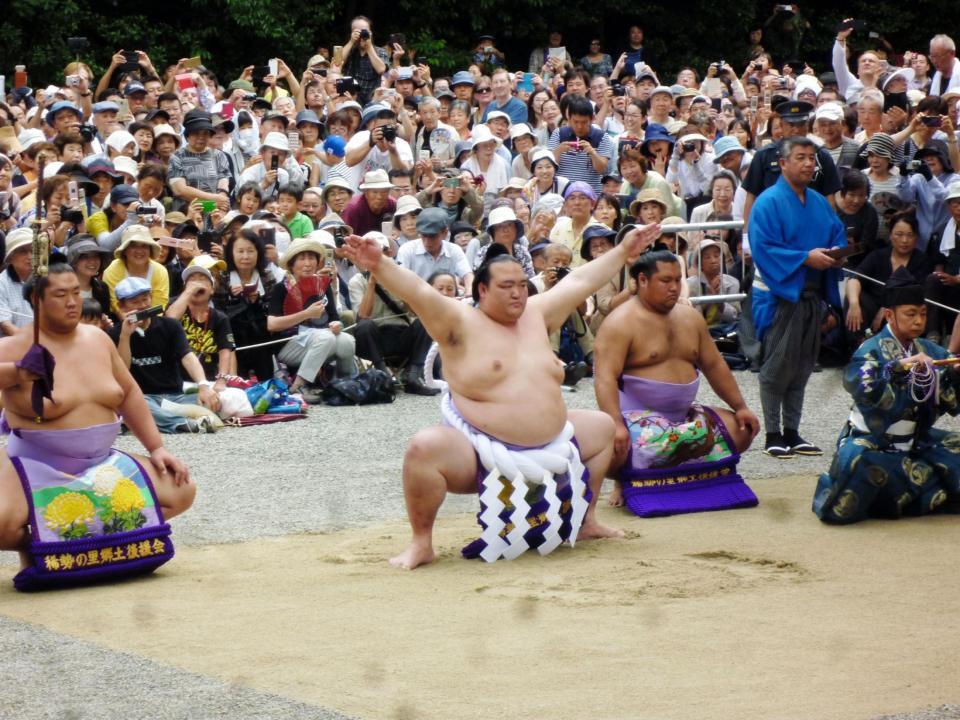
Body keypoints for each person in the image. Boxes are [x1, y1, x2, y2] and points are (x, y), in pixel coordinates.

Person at [341, 223, 666, 570]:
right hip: (481, 450)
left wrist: (621, 252)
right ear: (482, 288)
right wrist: (379, 264)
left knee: (601, 427)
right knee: (423, 449)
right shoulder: (457, 321)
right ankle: (422, 543)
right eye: (506, 286)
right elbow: (419, 291)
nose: (518, 294)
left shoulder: (537, 314)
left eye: (523, 286)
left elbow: (579, 282)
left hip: (554, 443)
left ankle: (585, 521)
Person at [0, 264, 193, 573]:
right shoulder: (13, 347)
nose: (72, 302)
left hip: (102, 464)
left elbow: (129, 393)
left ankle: (98, 543)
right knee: (1, 522)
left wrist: (157, 447)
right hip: (38, 464)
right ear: (36, 300)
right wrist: (17, 371)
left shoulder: (98, 339)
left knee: (181, 489)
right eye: (60, 294)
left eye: (76, 292)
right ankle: (36, 545)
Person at [594, 248, 759, 514]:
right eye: (665, 281)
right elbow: (604, 378)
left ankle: (674, 474)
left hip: (684, 417)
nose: (673, 287)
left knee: (741, 428)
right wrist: (615, 423)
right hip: (636, 419)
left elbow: (715, 365)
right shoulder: (620, 323)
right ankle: (625, 480)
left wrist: (740, 406)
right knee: (609, 449)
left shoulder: (690, 318)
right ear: (643, 281)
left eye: (677, 280)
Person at [813, 268, 960, 523]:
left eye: (923, 315)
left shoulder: (929, 350)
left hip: (916, 441)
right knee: (858, 464)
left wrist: (955, 374)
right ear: (890, 316)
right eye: (911, 314)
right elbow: (864, 388)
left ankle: (901, 495)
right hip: (872, 440)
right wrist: (897, 368)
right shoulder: (868, 351)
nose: (918, 321)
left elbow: (949, 396)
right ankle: (912, 495)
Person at [749, 136, 847, 458]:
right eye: (801, 157)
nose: (808, 163)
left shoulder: (819, 201)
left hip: (812, 294)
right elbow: (764, 248)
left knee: (803, 367)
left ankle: (793, 431)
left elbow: (836, 232)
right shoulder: (767, 201)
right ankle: (772, 434)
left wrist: (838, 254)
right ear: (783, 162)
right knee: (777, 367)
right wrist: (806, 257)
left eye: (812, 158)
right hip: (782, 293)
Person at [108, 277, 220, 433]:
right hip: (143, 398)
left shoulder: (170, 326)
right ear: (121, 306)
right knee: (134, 406)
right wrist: (125, 336)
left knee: (217, 398)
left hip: (176, 397)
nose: (142, 306)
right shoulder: (114, 334)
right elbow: (123, 369)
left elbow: (187, 356)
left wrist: (203, 385)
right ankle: (182, 424)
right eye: (134, 302)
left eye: (145, 299)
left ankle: (159, 420)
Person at [268, 233, 356, 403]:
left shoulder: (322, 285)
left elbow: (334, 316)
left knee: (346, 340)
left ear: (317, 263)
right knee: (325, 337)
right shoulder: (281, 288)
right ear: (292, 264)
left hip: (322, 340)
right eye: (301, 259)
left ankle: (343, 381)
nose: (307, 263)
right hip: (289, 345)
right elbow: (272, 325)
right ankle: (299, 385)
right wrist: (306, 314)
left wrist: (336, 324)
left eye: (311, 258)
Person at [349, 232, 439, 396]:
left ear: (388, 254)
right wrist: (372, 283)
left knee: (424, 322)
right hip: (374, 338)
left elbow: (415, 311)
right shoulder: (357, 281)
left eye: (382, 252)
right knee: (365, 325)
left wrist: (399, 287)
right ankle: (384, 375)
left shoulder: (402, 275)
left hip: (401, 334)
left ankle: (413, 376)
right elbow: (362, 315)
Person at [0, 228, 34, 335]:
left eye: (33, 250)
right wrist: (31, 344)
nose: (30, 256)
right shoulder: (2, 283)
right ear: (10, 258)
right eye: (23, 251)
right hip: (13, 346)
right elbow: (5, 325)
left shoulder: (46, 278)